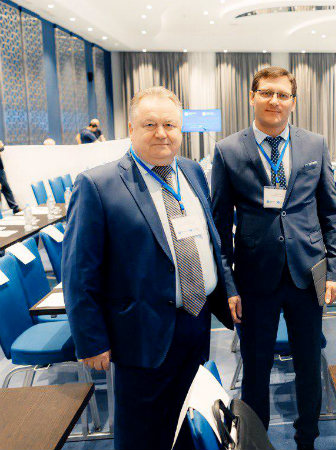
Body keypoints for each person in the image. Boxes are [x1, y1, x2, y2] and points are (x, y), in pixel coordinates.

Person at [63, 87, 234, 450]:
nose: (161, 133)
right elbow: (79, 272)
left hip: (196, 321)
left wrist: (227, 290)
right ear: (131, 128)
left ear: (181, 129)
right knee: (142, 432)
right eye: (150, 124)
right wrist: (91, 340)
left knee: (190, 418)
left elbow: (210, 242)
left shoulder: (192, 171)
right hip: (140, 332)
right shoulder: (98, 184)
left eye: (170, 125)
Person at [211, 66, 336, 450]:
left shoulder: (314, 145)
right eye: (267, 93)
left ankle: (307, 440)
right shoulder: (228, 150)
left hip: (308, 272)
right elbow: (219, 226)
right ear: (251, 97)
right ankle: (256, 442)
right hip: (254, 278)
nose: (275, 101)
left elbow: (331, 212)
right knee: (256, 369)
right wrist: (228, 286)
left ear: (293, 101)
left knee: (309, 365)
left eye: (283, 95)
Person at [0, 141, 20, 213]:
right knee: (5, 189)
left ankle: (15, 208)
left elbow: (1, 148)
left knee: (6, 188)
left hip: (0, 169)